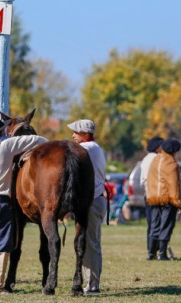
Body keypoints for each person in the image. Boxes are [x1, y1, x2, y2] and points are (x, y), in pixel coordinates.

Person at [0, 117, 47, 294]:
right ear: (0, 132)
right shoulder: (7, 144)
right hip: (0, 199)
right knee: (3, 243)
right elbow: (39, 139)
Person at [69, 119, 107, 294]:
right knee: (90, 243)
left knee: (90, 243)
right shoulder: (95, 149)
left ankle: (93, 285)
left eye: (76, 133)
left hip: (92, 201)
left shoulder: (87, 149)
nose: (73, 136)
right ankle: (91, 283)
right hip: (95, 200)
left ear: (85, 134)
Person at [145, 139, 181, 261]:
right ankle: (162, 254)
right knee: (166, 225)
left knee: (154, 225)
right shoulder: (172, 164)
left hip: (153, 198)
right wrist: (180, 204)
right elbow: (174, 186)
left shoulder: (155, 160)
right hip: (167, 199)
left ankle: (151, 253)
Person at [139, 136, 163, 260]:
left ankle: (151, 250)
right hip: (156, 194)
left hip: (147, 194)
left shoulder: (145, 159)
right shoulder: (156, 158)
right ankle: (155, 251)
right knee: (157, 223)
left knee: (151, 224)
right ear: (158, 147)